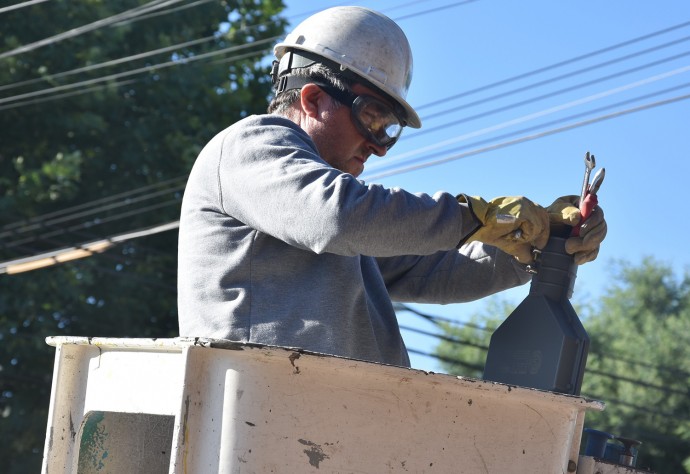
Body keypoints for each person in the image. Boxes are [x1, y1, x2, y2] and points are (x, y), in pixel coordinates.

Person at [177, 6, 606, 367]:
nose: (379, 147)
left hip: (335, 423)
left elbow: (434, 267)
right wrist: (473, 216)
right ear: (312, 100)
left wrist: (533, 245)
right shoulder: (251, 146)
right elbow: (336, 217)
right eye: (372, 119)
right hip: (253, 419)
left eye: (389, 129)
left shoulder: (344, 221)